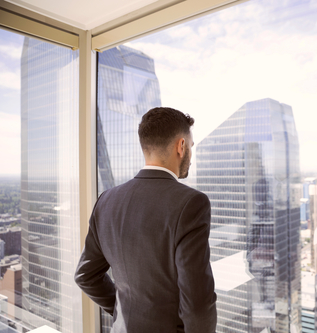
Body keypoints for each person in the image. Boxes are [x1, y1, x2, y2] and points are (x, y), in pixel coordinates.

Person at [74, 107, 217, 333]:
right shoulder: (191, 203)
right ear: (181, 146)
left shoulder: (106, 200)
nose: (190, 153)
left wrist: (125, 311)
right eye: (190, 146)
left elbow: (85, 276)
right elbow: (198, 304)